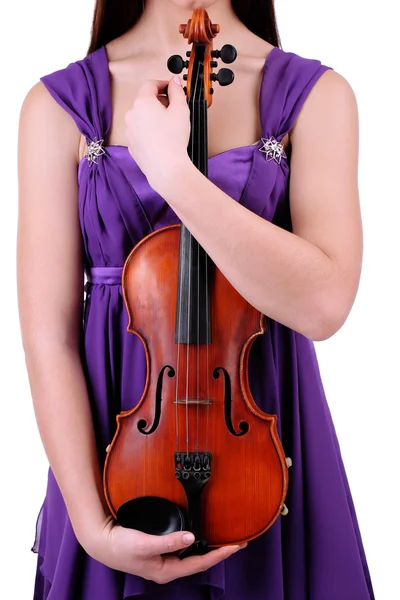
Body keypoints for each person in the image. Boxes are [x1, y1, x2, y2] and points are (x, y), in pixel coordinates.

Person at [17, 0, 376, 598]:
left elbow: (324, 305)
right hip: (111, 462)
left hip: (261, 459)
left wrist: (174, 175)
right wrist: (91, 524)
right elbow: (45, 336)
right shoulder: (57, 106)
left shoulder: (316, 96)